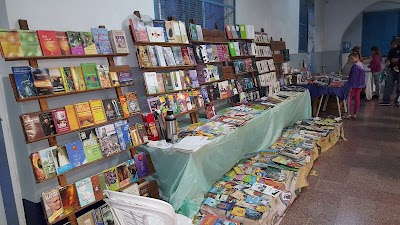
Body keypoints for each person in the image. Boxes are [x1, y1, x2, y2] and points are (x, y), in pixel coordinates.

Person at [346, 52, 366, 119]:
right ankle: (354, 114)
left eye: (352, 58)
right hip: (359, 84)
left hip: (353, 85)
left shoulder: (355, 66)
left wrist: (350, 86)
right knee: (357, 98)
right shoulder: (362, 65)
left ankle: (348, 114)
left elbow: (352, 77)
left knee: (350, 98)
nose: (351, 60)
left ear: (356, 57)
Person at [380, 38, 400, 106]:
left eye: (394, 45)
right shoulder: (391, 50)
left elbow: (396, 59)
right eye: (392, 45)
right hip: (392, 69)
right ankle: (386, 101)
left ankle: (397, 101)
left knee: (399, 87)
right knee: (388, 84)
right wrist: (388, 61)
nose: (392, 46)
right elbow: (389, 58)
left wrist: (397, 60)